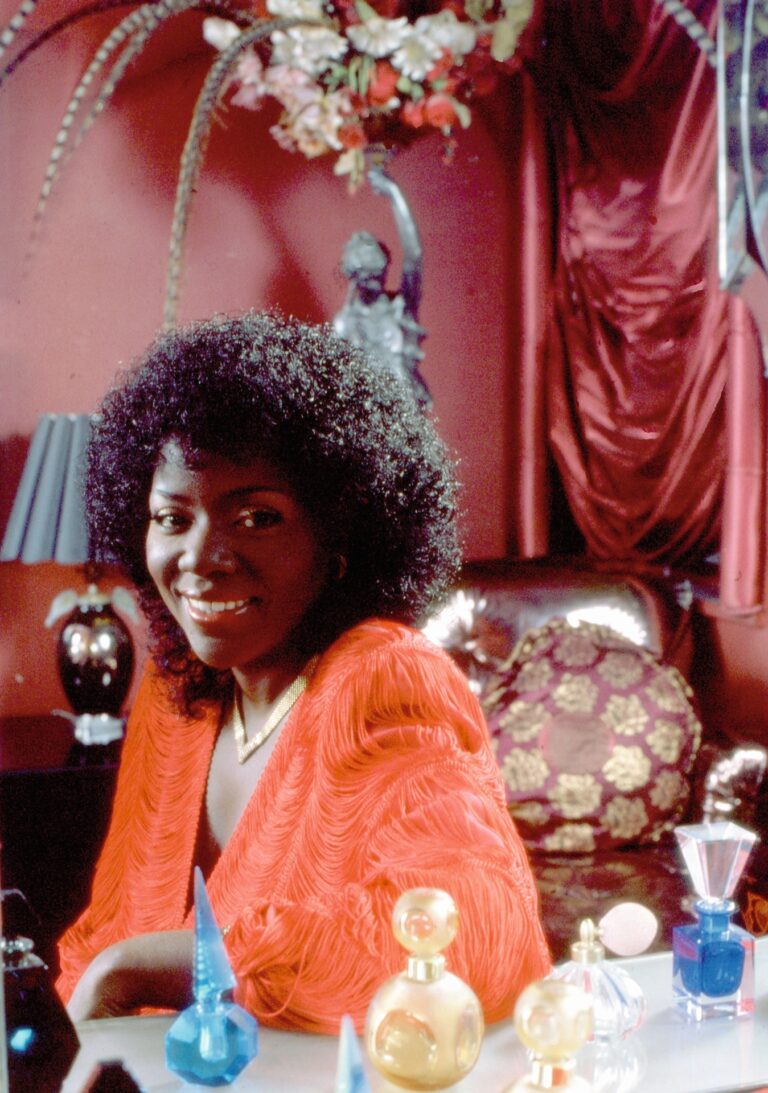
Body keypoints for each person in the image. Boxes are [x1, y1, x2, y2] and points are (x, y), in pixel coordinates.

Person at [57, 311, 550, 1031]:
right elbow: (109, 927)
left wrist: (138, 968)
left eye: (257, 517)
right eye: (172, 517)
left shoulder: (383, 679)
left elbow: (475, 938)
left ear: (338, 541)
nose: (200, 557)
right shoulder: (177, 695)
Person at [333, 164, 432, 409]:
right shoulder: (346, 323)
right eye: (370, 278)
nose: (378, 283)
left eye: (381, 275)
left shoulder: (400, 308)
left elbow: (414, 255)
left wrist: (395, 194)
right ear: (356, 279)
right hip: (366, 414)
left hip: (406, 409)